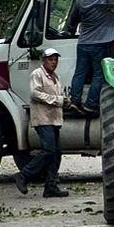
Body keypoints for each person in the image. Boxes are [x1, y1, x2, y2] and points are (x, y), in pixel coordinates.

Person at [16, 48, 70, 198]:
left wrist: (65, 101)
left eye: (55, 60)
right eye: (51, 59)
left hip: (54, 119)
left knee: (56, 153)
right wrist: (58, 100)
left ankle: (51, 186)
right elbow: (35, 94)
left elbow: (58, 96)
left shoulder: (56, 78)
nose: (54, 62)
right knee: (48, 150)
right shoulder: (37, 74)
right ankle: (23, 175)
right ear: (43, 61)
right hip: (43, 118)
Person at [68, 0, 114, 113]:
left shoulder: (80, 2)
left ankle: (74, 101)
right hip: (101, 44)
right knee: (100, 74)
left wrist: (70, 31)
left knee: (80, 73)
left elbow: (71, 23)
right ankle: (91, 104)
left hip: (83, 43)